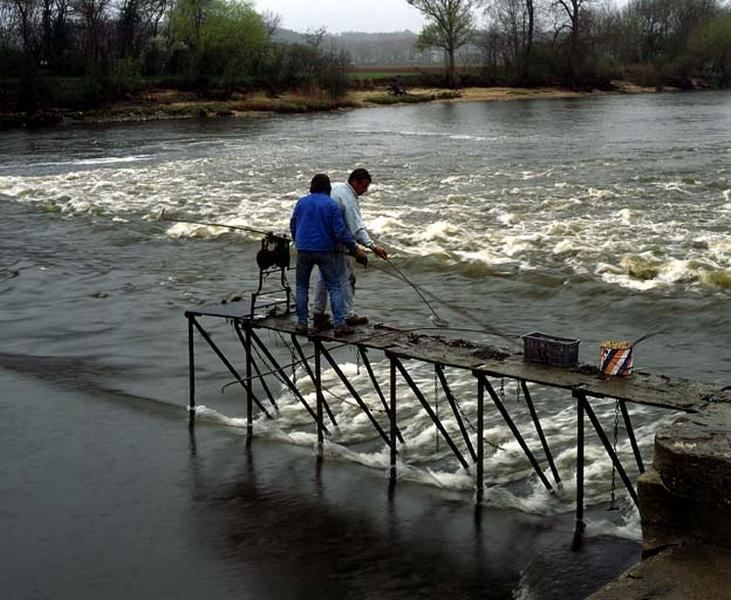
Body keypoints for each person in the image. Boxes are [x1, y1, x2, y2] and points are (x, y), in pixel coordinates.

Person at [289, 174, 366, 337]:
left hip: (302, 250)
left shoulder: (301, 202)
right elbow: (340, 232)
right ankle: (339, 325)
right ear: (327, 188)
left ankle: (302, 324)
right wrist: (355, 250)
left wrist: (299, 241)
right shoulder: (331, 205)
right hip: (325, 251)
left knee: (302, 287)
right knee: (334, 286)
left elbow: (293, 224)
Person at [313, 168, 388, 329]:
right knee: (345, 278)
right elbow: (356, 229)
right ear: (354, 182)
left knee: (323, 277)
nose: (365, 190)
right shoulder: (348, 197)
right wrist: (373, 246)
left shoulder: (335, 187)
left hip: (318, 239)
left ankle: (318, 313)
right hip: (334, 242)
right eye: (364, 186)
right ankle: (347, 316)